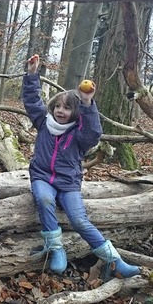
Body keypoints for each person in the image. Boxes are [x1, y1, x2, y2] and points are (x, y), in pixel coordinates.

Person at [23, 55, 139, 279]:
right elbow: (31, 101)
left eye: (66, 108)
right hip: (42, 177)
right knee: (45, 199)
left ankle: (114, 260)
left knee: (79, 220)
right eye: (57, 106)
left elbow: (94, 132)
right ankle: (56, 249)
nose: (60, 111)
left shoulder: (80, 135)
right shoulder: (43, 123)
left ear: (75, 113)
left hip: (68, 183)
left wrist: (86, 102)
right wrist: (31, 75)